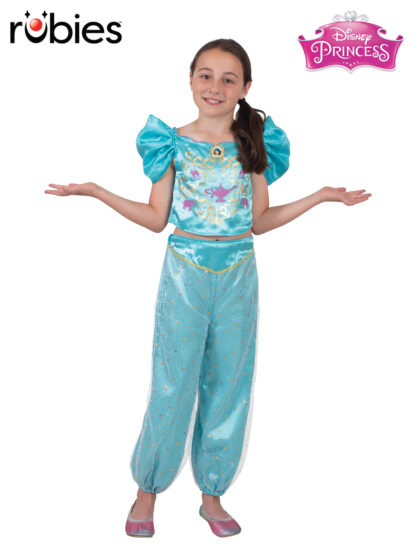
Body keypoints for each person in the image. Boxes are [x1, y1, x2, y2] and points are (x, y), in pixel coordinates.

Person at [45, 38, 371, 538]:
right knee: (173, 380)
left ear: (245, 88)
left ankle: (212, 495)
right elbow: (156, 218)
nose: (215, 86)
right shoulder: (170, 143)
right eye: (206, 75)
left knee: (229, 383)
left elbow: (260, 221)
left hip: (239, 271)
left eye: (228, 79)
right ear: (191, 79)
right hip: (185, 271)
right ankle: (147, 491)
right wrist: (96, 191)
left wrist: (320, 197)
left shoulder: (254, 144)